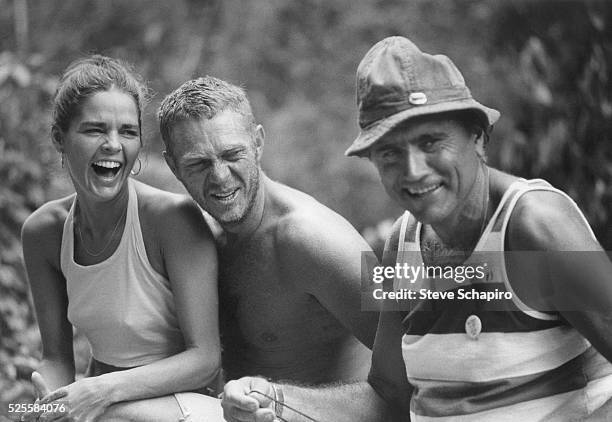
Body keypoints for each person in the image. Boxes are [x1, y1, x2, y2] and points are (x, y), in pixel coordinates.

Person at [220, 36, 612, 421]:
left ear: (477, 135)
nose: (413, 170)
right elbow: (388, 395)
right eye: (390, 153)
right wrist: (273, 398)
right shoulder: (403, 241)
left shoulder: (534, 226)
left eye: (430, 142)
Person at [21, 55, 223, 421]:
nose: (113, 144)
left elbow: (205, 360)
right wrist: (49, 401)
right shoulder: (43, 233)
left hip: (192, 403)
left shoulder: (172, 220)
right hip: (109, 404)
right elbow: (56, 358)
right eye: (95, 130)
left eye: (128, 131)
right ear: (59, 139)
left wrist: (102, 390)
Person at [158, 76, 379, 386]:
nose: (220, 177)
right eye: (198, 164)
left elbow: (414, 355)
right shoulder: (201, 240)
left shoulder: (317, 239)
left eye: (233, 155)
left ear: (258, 143)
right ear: (173, 167)